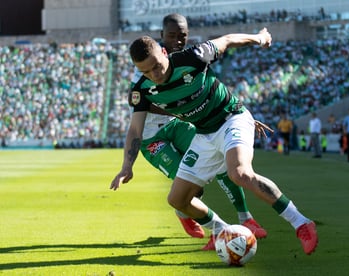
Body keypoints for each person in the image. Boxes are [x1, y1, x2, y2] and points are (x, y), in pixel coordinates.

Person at [112, 27, 318, 255]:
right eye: (146, 71)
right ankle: (222, 230)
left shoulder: (193, 57)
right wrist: (126, 166)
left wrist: (259, 38)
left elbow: (228, 40)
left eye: (156, 66)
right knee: (177, 199)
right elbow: (135, 129)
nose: (155, 75)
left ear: (163, 51)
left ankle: (301, 223)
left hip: (231, 118)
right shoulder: (142, 88)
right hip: (203, 134)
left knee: (239, 173)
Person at [125, 13, 267, 248]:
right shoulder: (147, 64)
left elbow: (212, 90)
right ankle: (192, 217)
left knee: (224, 161)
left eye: (183, 36)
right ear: (162, 37)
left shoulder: (187, 59)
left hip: (178, 125)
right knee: (190, 185)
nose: (178, 40)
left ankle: (246, 219)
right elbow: (146, 105)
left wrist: (240, 114)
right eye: (172, 35)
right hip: (152, 137)